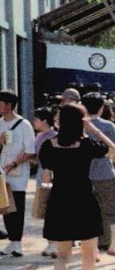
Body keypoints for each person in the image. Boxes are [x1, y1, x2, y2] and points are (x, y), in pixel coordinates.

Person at [39, 103, 115, 270]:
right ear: (80, 123)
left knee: (62, 254)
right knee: (89, 252)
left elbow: (46, 170)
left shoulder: (48, 145)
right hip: (84, 200)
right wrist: (94, 131)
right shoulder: (86, 145)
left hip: (59, 201)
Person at [82, 92, 115, 258]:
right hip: (106, 174)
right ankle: (114, 245)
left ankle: (93, 250)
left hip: (84, 176)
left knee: (89, 212)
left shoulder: (79, 125)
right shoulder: (109, 127)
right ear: (102, 108)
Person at [0, 91, 36, 258]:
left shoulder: (24, 125)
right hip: (2, 171)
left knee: (17, 206)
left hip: (17, 171)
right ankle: (11, 241)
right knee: (5, 206)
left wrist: (14, 163)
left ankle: (17, 243)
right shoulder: (0, 123)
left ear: (8, 105)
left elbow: (30, 151)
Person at [32, 106, 58, 258]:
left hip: (47, 175)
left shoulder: (45, 137)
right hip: (51, 175)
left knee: (49, 210)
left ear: (43, 121)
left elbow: (36, 158)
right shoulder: (52, 135)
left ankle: (53, 244)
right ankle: (54, 242)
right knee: (51, 210)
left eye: (36, 119)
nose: (34, 122)